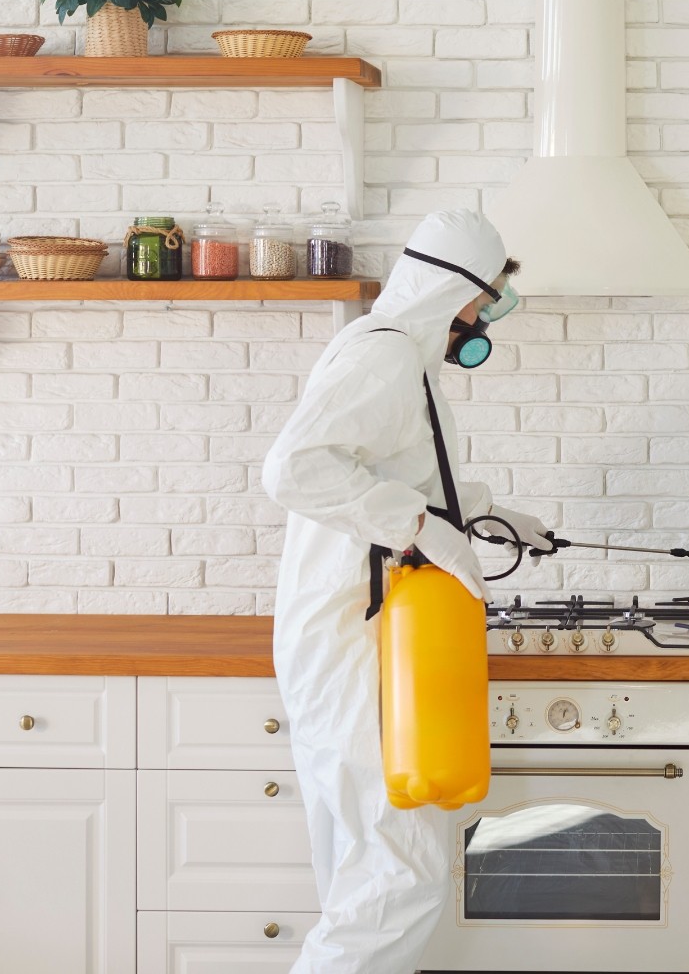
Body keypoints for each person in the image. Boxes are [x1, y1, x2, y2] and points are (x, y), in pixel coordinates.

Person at [261, 208, 553, 974]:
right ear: (450, 290)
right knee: (400, 875)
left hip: (363, 642)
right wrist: (421, 526)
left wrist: (485, 512)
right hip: (356, 647)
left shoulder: (399, 358)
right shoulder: (384, 359)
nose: (485, 317)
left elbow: (398, 474)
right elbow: (294, 470)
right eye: (486, 299)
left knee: (367, 876)